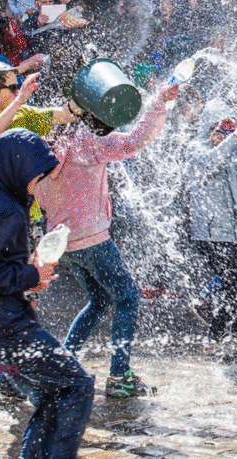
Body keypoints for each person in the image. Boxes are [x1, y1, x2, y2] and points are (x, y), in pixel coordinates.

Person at [35, 81, 179, 398]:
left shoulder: (44, 146)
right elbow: (135, 142)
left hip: (62, 242)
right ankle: (119, 376)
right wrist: (157, 103)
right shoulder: (87, 142)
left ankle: (62, 365)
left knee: (100, 301)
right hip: (92, 238)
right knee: (127, 297)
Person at [0, 128, 93, 459]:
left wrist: (27, 279)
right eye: (38, 172)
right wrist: (32, 273)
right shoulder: (7, 211)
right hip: (5, 327)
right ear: (18, 168)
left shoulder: (8, 201)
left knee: (53, 393)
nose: (43, 180)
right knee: (77, 386)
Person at [185, 105, 237, 346]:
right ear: (210, 130)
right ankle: (217, 336)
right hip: (213, 236)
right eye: (220, 130)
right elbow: (214, 160)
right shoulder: (197, 150)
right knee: (236, 285)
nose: (222, 135)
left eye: (227, 130)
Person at [0, 61, 76, 221]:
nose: (18, 93)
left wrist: (84, 96)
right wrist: (18, 101)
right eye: (14, 88)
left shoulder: (23, 113)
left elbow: (66, 114)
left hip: (31, 219)